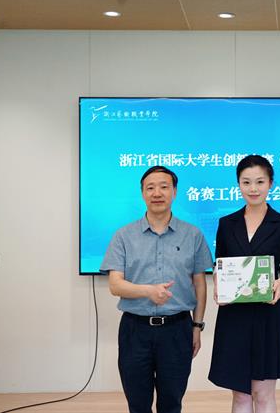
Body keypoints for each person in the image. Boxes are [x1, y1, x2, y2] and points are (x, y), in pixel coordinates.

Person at [101, 165, 212, 413]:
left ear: (174, 192)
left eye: (164, 186)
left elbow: (200, 284)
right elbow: (115, 285)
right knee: (137, 403)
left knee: (172, 403)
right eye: (150, 188)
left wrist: (197, 326)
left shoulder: (192, 235)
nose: (157, 193)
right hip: (135, 329)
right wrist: (148, 291)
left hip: (177, 329)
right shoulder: (123, 236)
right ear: (142, 193)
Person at [208, 154, 280, 413]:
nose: (253, 188)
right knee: (240, 395)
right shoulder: (227, 224)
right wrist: (218, 283)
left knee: (263, 393)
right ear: (238, 184)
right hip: (234, 315)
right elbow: (219, 264)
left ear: (270, 183)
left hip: (267, 315)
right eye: (246, 182)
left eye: (260, 182)